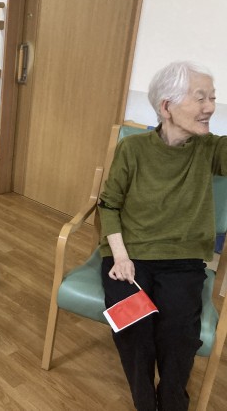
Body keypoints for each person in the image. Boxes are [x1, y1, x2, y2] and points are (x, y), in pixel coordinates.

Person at [98, 61, 223, 411]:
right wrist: (121, 257)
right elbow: (109, 204)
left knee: (178, 334)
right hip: (128, 255)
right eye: (200, 98)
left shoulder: (211, 149)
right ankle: (144, 403)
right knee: (133, 325)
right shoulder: (133, 148)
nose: (210, 107)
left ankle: (172, 402)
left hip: (183, 261)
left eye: (213, 98)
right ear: (166, 106)